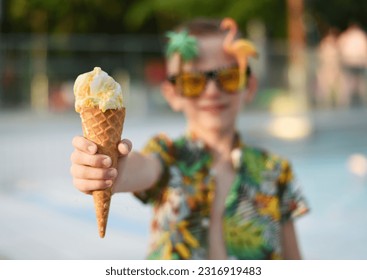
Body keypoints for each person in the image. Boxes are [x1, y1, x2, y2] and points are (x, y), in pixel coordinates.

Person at [70, 18, 309, 260]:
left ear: (249, 86)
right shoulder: (167, 155)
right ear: (172, 94)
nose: (212, 91)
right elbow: (140, 167)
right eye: (193, 81)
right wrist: (109, 170)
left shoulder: (276, 172)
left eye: (228, 76)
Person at [337, 23, 367, 107]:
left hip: (349, 61)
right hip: (360, 61)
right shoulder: (361, 36)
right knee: (360, 81)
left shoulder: (347, 36)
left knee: (349, 82)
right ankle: (361, 99)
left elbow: (341, 47)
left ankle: (346, 101)